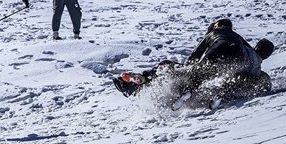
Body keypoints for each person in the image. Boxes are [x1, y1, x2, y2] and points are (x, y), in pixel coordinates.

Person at [113, 19, 274, 110]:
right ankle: (219, 93)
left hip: (221, 51)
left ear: (216, 26)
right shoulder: (252, 56)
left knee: (189, 71)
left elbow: (194, 58)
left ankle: (145, 80)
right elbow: (261, 83)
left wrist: (185, 69)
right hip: (239, 67)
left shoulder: (217, 33)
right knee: (229, 80)